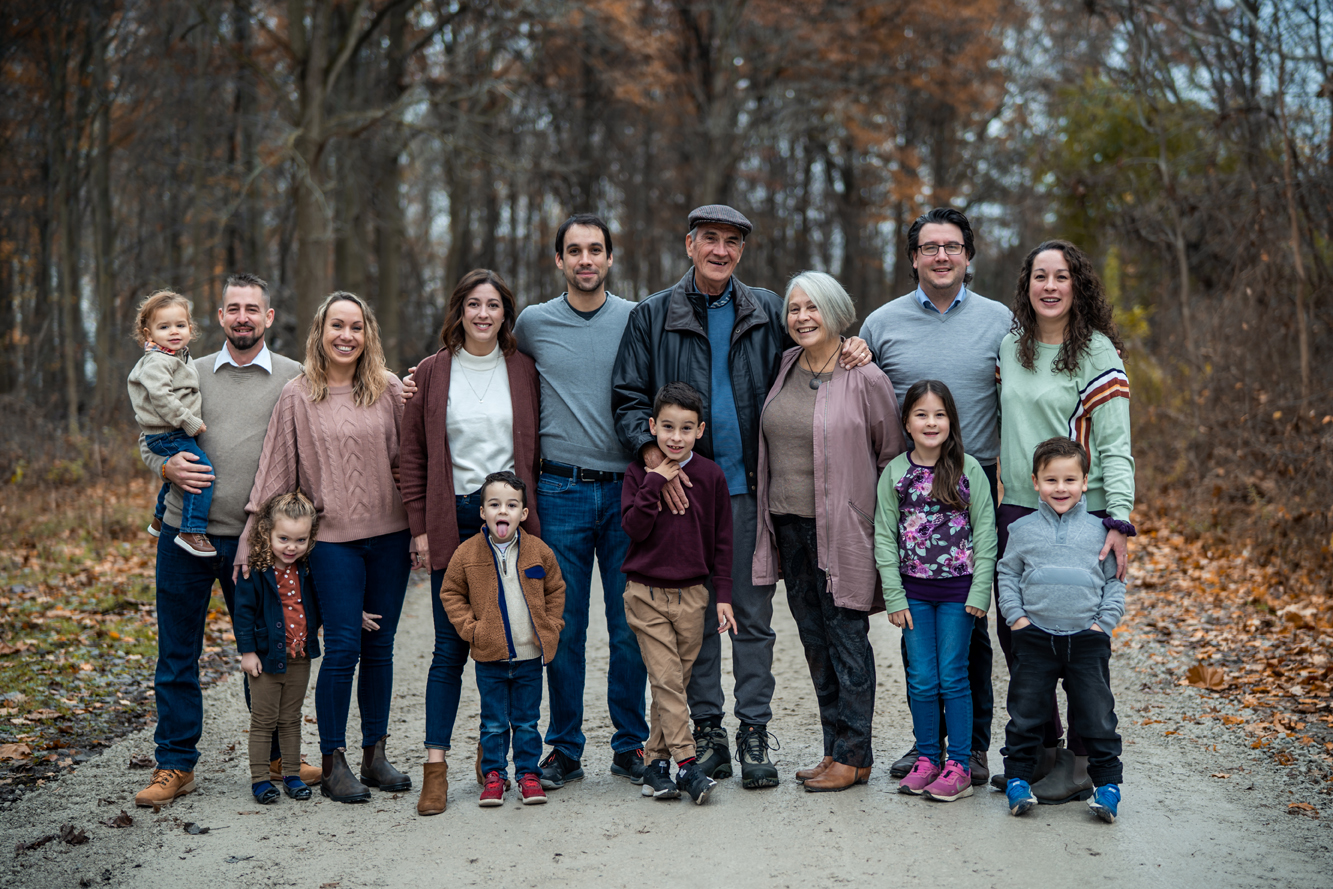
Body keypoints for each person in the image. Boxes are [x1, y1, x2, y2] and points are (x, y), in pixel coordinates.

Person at [611, 204, 872, 788]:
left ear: (742, 251)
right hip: (684, 496)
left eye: (732, 241)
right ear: (690, 245)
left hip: (752, 493)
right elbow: (628, 398)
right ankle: (709, 733)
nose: (720, 250)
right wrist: (657, 463)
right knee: (699, 621)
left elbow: (814, 349)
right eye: (710, 239)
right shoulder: (653, 315)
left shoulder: (767, 311)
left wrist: (855, 347)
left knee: (753, 618)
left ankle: (754, 730)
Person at [134, 272, 315, 809]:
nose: (242, 318)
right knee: (177, 653)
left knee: (268, 650)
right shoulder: (186, 370)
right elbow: (149, 439)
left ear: (268, 317)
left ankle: (278, 757)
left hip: (256, 544)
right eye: (233, 308)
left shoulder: (293, 377)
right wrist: (165, 467)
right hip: (183, 535)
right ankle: (175, 764)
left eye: (252, 309)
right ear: (219, 317)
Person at [239, 291, 413, 804]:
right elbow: (275, 469)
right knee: (342, 647)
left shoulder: (388, 389)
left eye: (356, 327)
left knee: (380, 647)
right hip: (332, 543)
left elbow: (411, 460)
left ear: (368, 334)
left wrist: (424, 527)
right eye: (337, 325)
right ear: (320, 333)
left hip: (391, 537)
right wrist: (251, 533)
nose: (346, 336)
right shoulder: (298, 395)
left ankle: (375, 754)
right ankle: (334, 761)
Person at [858, 207, 1011, 786]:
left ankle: (970, 750)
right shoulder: (882, 324)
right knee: (918, 634)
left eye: (952, 246)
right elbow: (858, 391)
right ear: (914, 257)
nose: (941, 256)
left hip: (976, 477)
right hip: (910, 485)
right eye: (930, 247)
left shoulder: (1000, 321)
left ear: (968, 256)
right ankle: (929, 747)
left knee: (969, 628)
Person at [751, 272, 904, 793]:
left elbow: (891, 457)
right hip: (789, 527)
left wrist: (879, 527)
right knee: (815, 642)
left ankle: (856, 755)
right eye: (794, 309)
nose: (802, 317)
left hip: (843, 528)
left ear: (836, 312)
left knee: (847, 639)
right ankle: (833, 750)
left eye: (813, 307)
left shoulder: (865, 376)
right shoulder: (784, 365)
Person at [995, 239, 1134, 803]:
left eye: (1061, 276)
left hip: (1082, 510)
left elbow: (1116, 445)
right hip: (1018, 507)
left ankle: (1081, 763)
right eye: (1040, 276)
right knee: (1020, 634)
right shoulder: (1011, 347)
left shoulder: (1097, 352)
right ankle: (1042, 750)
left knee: (1079, 639)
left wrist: (1118, 519)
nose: (1050, 286)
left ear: (1078, 284)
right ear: (1026, 285)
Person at [513, 215, 649, 790]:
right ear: (559, 260)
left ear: (611, 258)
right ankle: (564, 748)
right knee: (563, 627)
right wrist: (414, 380)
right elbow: (487, 364)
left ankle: (630, 744)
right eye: (574, 250)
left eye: (596, 249)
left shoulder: (637, 318)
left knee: (630, 625)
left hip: (626, 490)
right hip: (559, 491)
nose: (585, 259)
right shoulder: (533, 323)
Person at [400, 269, 541, 815]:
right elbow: (412, 456)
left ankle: (497, 758)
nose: (483, 314)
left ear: (507, 314)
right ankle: (435, 766)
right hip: (452, 517)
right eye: (473, 304)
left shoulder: (523, 370)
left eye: (494, 305)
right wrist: (420, 527)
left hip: (508, 521)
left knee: (507, 642)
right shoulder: (432, 372)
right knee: (449, 647)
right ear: (458, 311)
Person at [874, 380, 996, 802]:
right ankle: (927, 758)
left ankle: (959, 765)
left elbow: (986, 533)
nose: (931, 422)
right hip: (914, 596)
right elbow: (884, 536)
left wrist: (980, 592)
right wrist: (894, 595)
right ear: (907, 422)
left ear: (951, 421)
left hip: (959, 594)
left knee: (953, 675)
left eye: (939, 415)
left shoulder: (968, 469)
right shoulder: (896, 472)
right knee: (923, 677)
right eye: (921, 414)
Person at [998, 438, 1125, 823]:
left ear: (1085, 482)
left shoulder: (1101, 531)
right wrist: (1016, 618)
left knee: (1097, 716)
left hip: (1087, 639)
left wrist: (1103, 624)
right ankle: (1018, 780)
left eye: (1070, 479)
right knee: (1025, 714)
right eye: (1051, 479)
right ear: (1035, 482)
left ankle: (1107, 786)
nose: (1060, 488)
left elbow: (1115, 580)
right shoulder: (1021, 529)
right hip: (1034, 637)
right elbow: (1008, 573)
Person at [620, 383, 733, 806]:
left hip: (692, 597)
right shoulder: (638, 474)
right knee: (667, 682)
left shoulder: (711, 475)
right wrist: (653, 482)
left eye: (686, 428)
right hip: (645, 595)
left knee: (671, 687)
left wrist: (723, 595)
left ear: (700, 430)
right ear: (652, 426)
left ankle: (655, 767)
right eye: (667, 427)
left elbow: (723, 541)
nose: (676, 437)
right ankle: (687, 765)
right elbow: (634, 528)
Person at [439, 472, 566, 808]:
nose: (502, 511)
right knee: (493, 723)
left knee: (527, 721)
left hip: (529, 656)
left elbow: (555, 589)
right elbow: (451, 592)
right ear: (482, 512)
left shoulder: (538, 551)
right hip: (489, 656)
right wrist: (473, 630)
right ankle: (494, 776)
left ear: (523, 513)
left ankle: (528, 775)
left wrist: (551, 625)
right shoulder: (467, 553)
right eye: (494, 505)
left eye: (511, 505)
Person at [232, 492, 321, 805]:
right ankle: (260, 780)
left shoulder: (308, 570)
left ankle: (292, 775)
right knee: (263, 720)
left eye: (300, 540)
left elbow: (322, 603)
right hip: (266, 658)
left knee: (291, 718)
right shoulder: (256, 570)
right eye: (283, 538)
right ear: (267, 532)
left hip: (299, 656)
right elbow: (243, 612)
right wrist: (247, 652)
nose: (291, 547)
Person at [128, 290, 215, 557]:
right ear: (149, 334)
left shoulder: (178, 357)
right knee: (200, 473)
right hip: (168, 433)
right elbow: (161, 397)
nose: (174, 331)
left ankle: (159, 518)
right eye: (164, 327)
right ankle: (191, 530)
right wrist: (189, 421)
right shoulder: (157, 361)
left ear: (190, 328)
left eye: (180, 325)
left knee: (176, 479)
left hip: (171, 432)